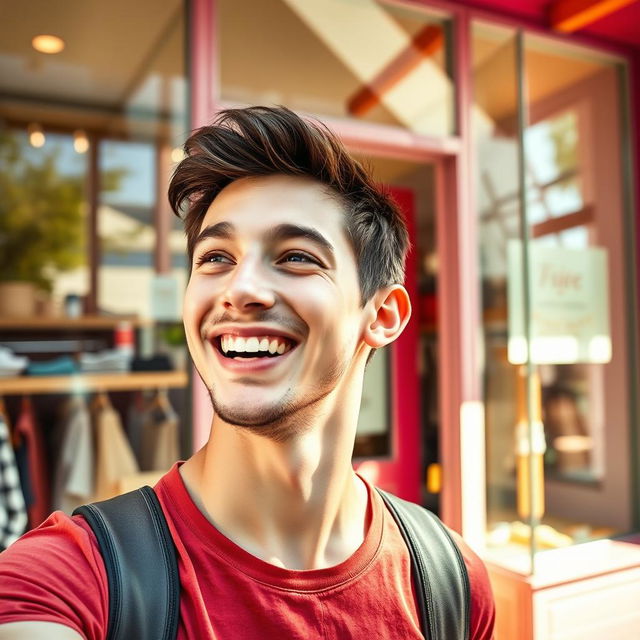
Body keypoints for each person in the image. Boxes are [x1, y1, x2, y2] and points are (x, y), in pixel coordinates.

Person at [0, 106, 495, 639]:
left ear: (382, 316)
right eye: (216, 257)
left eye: (297, 257)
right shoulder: (70, 579)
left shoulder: (453, 583)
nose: (240, 289)